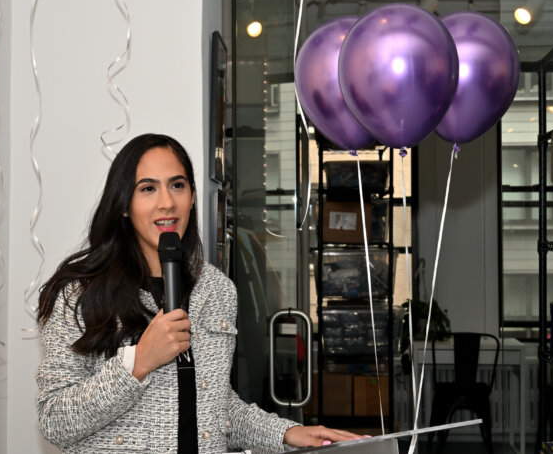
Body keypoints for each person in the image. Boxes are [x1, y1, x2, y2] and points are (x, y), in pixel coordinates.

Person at [36, 133, 359, 453]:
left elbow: (214, 409)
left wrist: (288, 433)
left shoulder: (216, 289)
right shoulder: (78, 293)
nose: (167, 202)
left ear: (191, 196)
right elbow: (56, 421)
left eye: (177, 185)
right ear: (123, 205)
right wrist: (137, 363)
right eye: (148, 188)